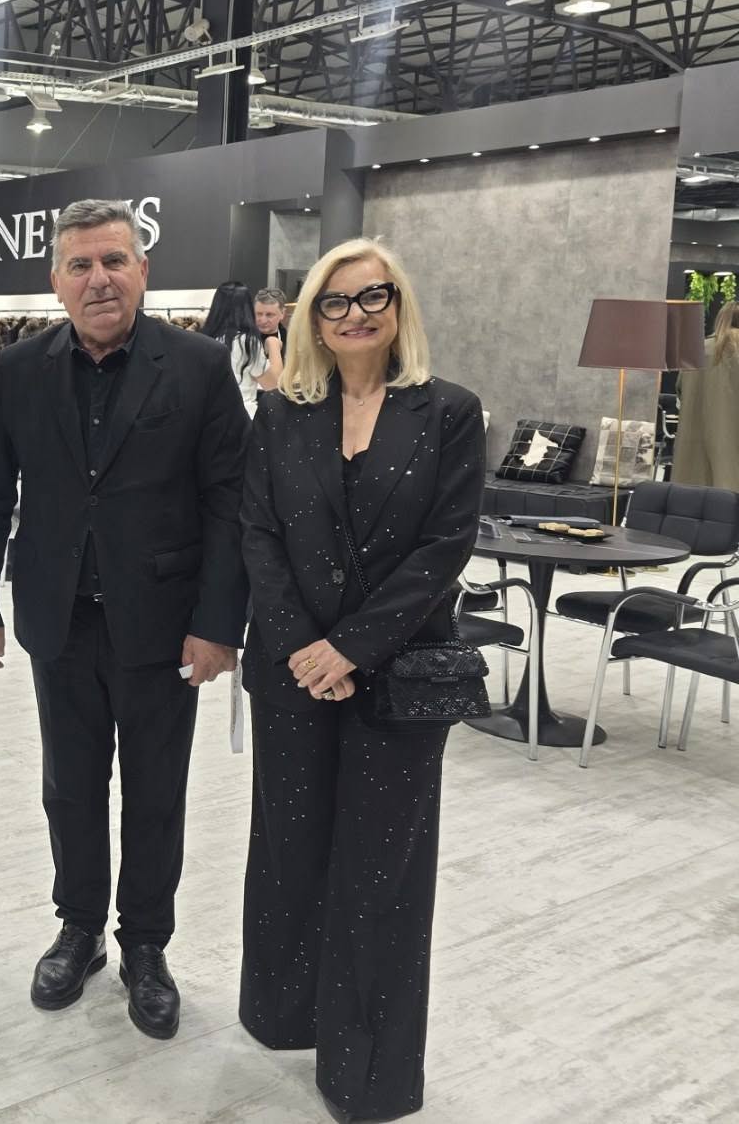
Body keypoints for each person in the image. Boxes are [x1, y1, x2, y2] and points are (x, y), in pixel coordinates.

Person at [0, 198, 248, 1040]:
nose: (99, 280)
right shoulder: (21, 370)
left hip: (164, 625)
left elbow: (230, 503)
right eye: (81, 265)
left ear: (142, 270)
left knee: (156, 792)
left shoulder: (197, 366)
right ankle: (79, 927)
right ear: (56, 280)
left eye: (114, 261)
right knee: (70, 787)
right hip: (58, 619)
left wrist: (218, 624)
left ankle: (146, 945)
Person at [238, 238, 483, 1123]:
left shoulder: (449, 412)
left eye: (371, 295)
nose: (354, 314)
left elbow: (444, 547)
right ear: (312, 318)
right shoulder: (281, 413)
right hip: (293, 675)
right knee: (290, 851)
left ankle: (368, 1073)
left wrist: (351, 648)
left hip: (399, 676)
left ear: (398, 304)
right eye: (334, 301)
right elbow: (259, 534)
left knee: (382, 876)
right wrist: (305, 646)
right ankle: (286, 1015)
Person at [674, 300, 739, 490]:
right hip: (732, 446)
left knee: (694, 491)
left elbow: (680, 389)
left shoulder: (697, 350)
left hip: (694, 446)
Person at [204, 280, 283, 415]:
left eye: (269, 314)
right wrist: (273, 345)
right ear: (247, 308)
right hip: (242, 415)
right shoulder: (246, 342)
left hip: (210, 416)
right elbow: (274, 385)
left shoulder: (203, 340)